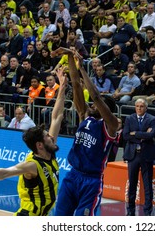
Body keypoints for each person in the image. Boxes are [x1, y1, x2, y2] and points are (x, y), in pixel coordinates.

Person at [0, 67, 68, 216]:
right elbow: (5, 173)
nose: (51, 137)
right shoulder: (32, 165)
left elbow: (56, 117)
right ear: (39, 145)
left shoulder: (49, 150)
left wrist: (61, 87)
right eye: (47, 136)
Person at [54, 48, 118, 216]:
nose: (92, 104)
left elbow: (96, 96)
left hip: (91, 180)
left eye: (98, 105)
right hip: (73, 174)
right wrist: (70, 57)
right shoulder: (85, 116)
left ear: (106, 109)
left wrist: (83, 68)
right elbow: (76, 85)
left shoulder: (111, 124)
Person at [123, 98, 155, 216]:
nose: (139, 108)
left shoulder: (152, 119)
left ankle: (147, 212)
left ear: (146, 108)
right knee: (132, 185)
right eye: (137, 106)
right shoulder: (129, 118)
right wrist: (143, 135)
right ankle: (130, 211)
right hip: (133, 155)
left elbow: (151, 135)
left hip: (146, 155)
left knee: (147, 185)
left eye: (141, 106)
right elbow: (126, 135)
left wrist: (135, 133)